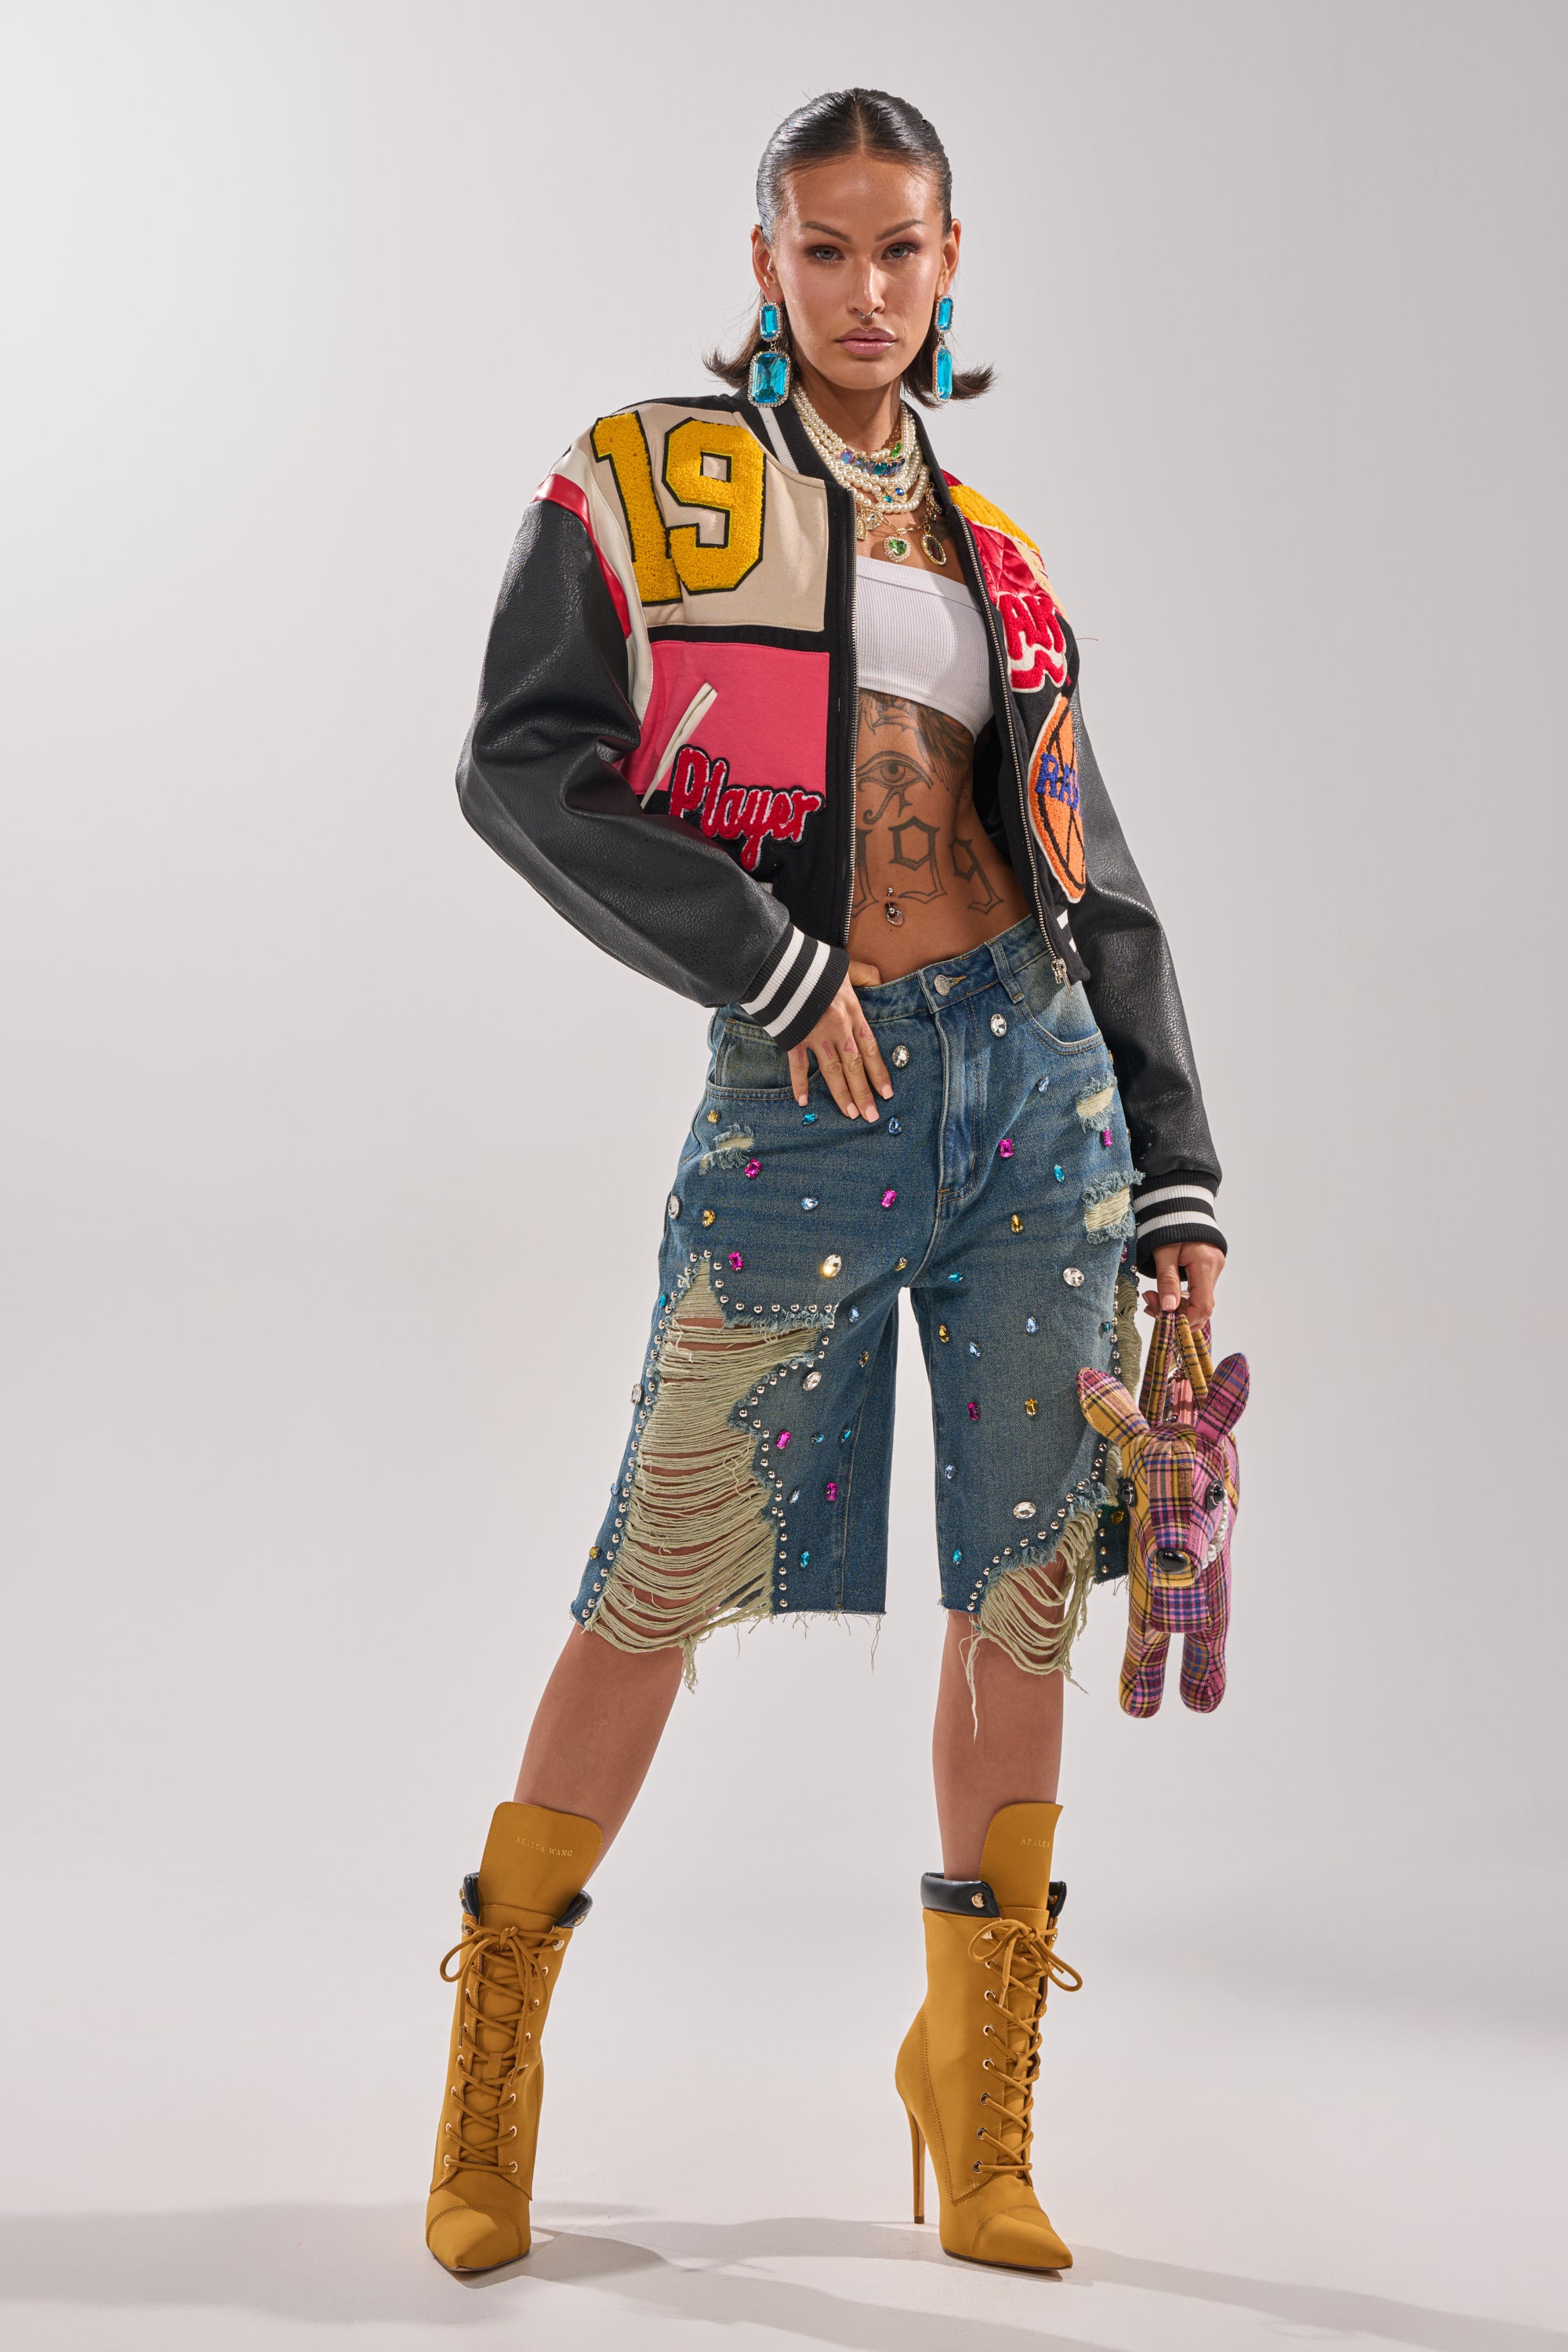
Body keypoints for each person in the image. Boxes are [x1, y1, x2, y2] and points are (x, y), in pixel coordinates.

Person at [426, 86, 1227, 2278]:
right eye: (825, 248)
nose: (866, 289)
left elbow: (1093, 868)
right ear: (765, 263)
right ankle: (494, 2059)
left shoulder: (1003, 559)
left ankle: (977, 2093)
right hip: (811, 1101)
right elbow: (522, 760)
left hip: (1037, 1100)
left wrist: (1178, 1173)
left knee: (1026, 1587)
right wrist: (768, 965)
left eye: (902, 249)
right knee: (658, 1574)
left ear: (951, 264)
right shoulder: (650, 486)